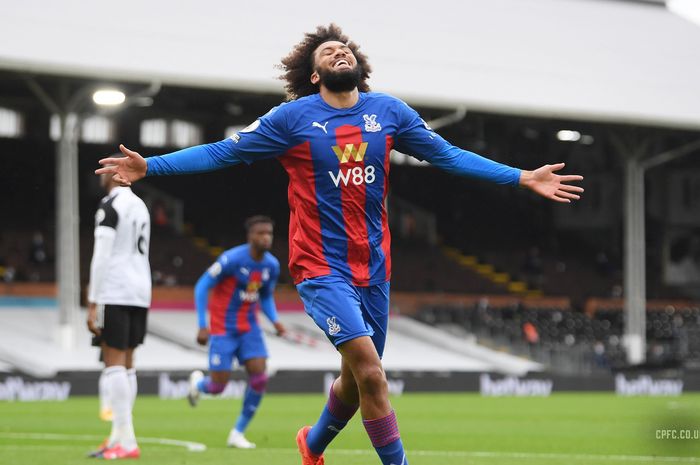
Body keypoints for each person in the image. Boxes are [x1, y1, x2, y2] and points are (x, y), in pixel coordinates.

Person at [96, 24, 584, 465]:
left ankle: (312, 445)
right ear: (314, 75)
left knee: (354, 381)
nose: (340, 51)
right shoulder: (291, 119)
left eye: (345, 48)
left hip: (374, 269)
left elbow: (448, 156)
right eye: (328, 51)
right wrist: (151, 167)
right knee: (372, 374)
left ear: (358, 66)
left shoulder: (389, 112)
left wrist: (522, 177)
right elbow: (224, 151)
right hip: (320, 268)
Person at [187, 215, 286, 449]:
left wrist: (275, 321)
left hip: (250, 328)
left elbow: (265, 296)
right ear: (250, 236)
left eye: (269, 233)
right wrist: (203, 324)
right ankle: (200, 385)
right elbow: (202, 286)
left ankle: (237, 433)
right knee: (218, 386)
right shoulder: (231, 259)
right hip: (223, 328)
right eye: (261, 233)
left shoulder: (271, 265)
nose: (266, 237)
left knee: (260, 377)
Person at [86, 169, 151, 460]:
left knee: (113, 362)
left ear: (117, 175)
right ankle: (117, 437)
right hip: (140, 289)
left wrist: (92, 300)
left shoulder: (109, 205)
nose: (100, 173)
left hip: (115, 288)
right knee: (128, 363)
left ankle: (127, 442)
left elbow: (102, 254)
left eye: (106, 168)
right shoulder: (141, 205)